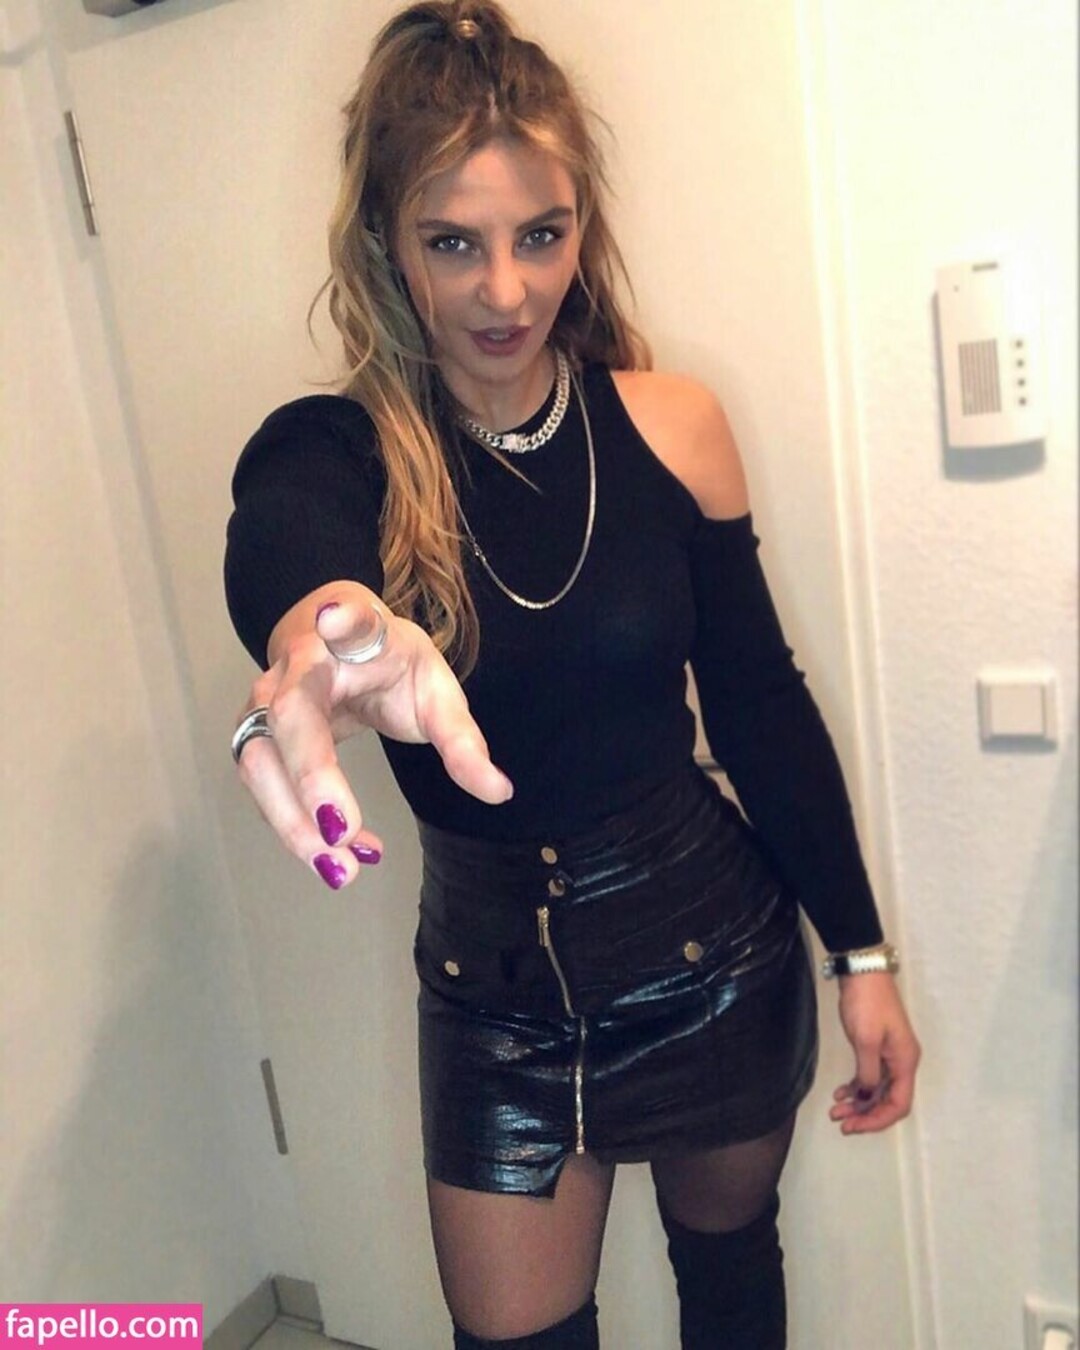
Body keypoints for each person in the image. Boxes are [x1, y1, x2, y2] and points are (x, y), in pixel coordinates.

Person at [224, 3, 921, 1346]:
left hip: (712, 952)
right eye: (454, 241)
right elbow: (286, 521)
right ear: (386, 243)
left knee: (732, 1295)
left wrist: (864, 953)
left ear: (582, 228)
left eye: (539, 235)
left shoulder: (670, 426)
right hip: (493, 1001)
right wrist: (319, 624)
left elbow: (760, 706)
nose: (506, 290)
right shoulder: (346, 452)